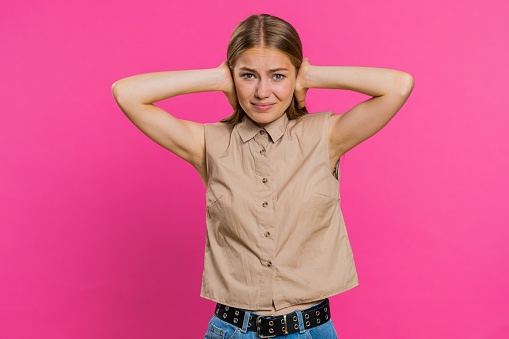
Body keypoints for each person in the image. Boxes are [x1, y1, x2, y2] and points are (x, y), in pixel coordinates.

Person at [112, 13, 414, 339]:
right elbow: (127, 93)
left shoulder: (326, 136)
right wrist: (216, 78)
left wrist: (309, 74)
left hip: (310, 331)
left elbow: (398, 86)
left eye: (278, 76)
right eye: (248, 75)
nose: (262, 91)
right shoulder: (207, 144)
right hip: (232, 331)